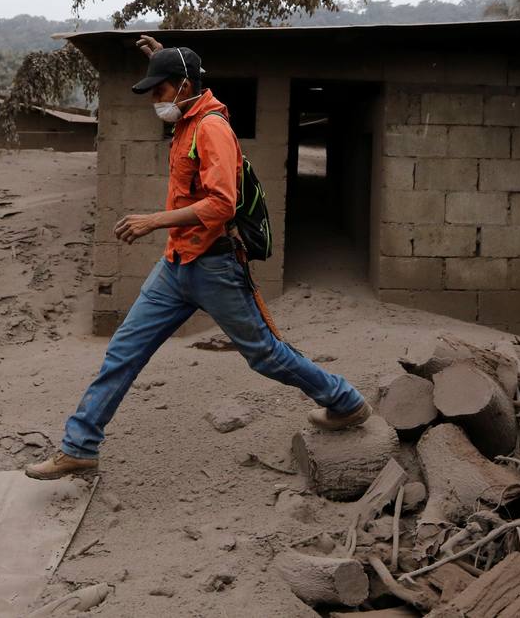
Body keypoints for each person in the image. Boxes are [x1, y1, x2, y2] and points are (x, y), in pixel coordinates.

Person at [26, 36, 370, 480]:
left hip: (216, 266)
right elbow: (184, 77)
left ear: (184, 87)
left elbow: (222, 204)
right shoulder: (187, 112)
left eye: (160, 90)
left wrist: (155, 220)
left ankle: (344, 401)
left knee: (264, 354)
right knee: (124, 352)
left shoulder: (211, 129)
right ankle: (80, 446)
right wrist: (163, 61)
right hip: (175, 266)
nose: (155, 100)